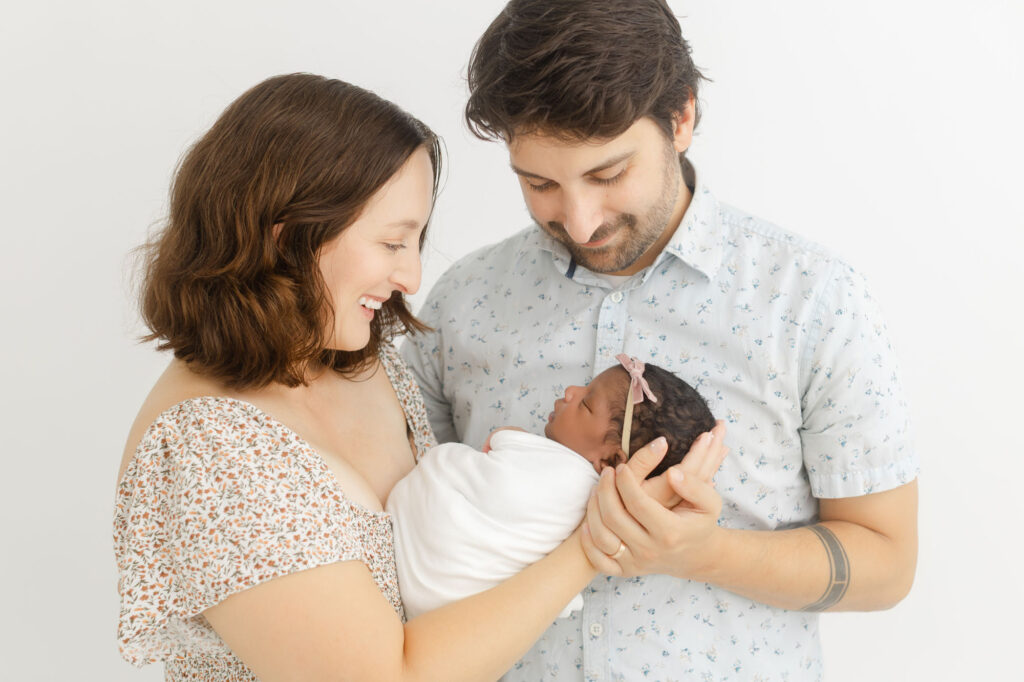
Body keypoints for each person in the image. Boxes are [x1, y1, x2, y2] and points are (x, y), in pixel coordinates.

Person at [113, 73, 727, 681]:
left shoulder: (357, 365)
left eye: (417, 242)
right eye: (391, 243)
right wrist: (595, 543)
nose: (410, 277)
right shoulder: (212, 447)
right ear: (289, 238)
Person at [401, 1, 920, 679]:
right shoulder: (463, 301)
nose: (580, 221)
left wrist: (700, 553)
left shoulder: (812, 301)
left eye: (609, 175)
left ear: (682, 117)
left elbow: (886, 563)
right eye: (539, 183)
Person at [388, 355, 715, 620]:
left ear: (610, 460)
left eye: (586, 403)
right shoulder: (602, 512)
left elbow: (464, 471)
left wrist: (507, 436)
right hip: (452, 609)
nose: (571, 391)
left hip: (412, 563)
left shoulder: (552, 467)